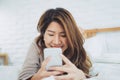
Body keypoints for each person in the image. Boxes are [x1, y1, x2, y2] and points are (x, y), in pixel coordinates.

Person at [18, 7, 95, 80]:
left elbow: (92, 75)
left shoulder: (77, 46)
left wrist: (82, 77)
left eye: (63, 35)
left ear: (71, 36)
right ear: (43, 34)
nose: (56, 42)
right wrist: (37, 77)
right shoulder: (38, 44)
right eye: (51, 34)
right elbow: (23, 77)